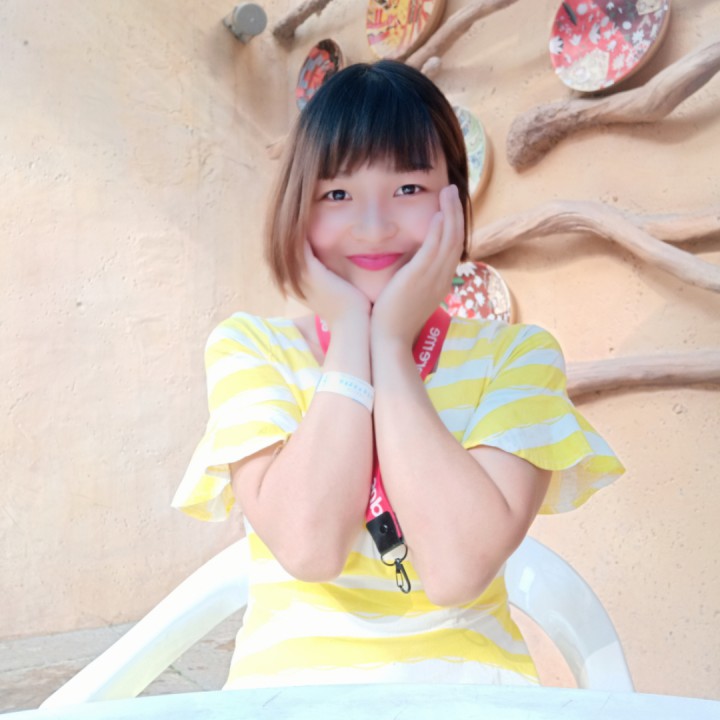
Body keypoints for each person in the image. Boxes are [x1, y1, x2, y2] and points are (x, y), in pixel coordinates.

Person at [172, 60, 624, 689]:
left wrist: (388, 345)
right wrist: (351, 336)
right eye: (337, 194)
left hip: (473, 699)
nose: (374, 225)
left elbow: (456, 570)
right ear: (296, 209)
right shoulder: (252, 349)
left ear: (454, 201)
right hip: (288, 699)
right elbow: (309, 548)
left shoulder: (517, 357)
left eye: (408, 188)